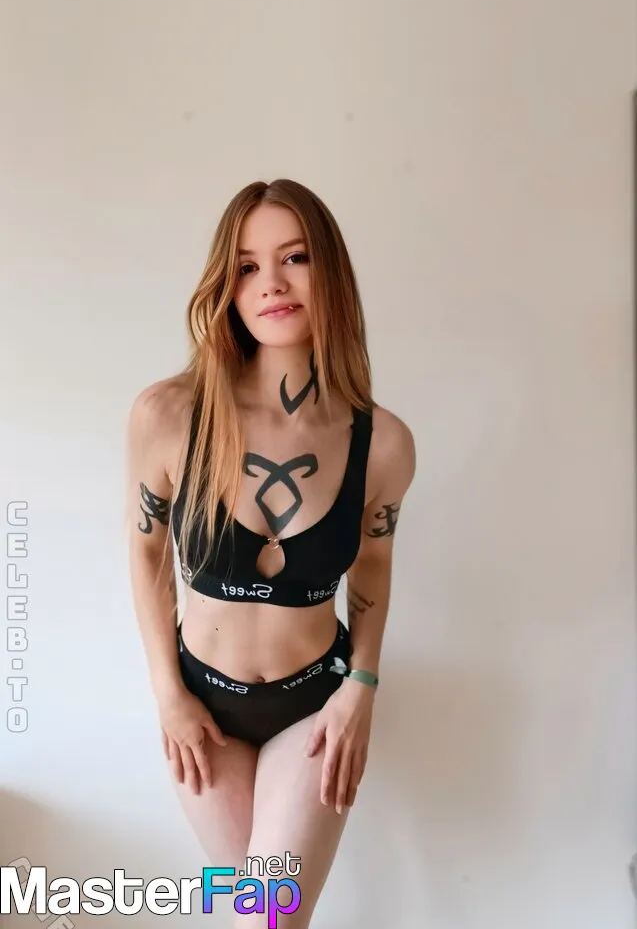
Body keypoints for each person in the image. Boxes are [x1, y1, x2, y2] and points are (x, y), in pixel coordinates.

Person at [125, 178, 416, 927]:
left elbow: (374, 563)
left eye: (294, 257)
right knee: (253, 915)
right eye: (247, 266)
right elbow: (148, 557)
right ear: (225, 285)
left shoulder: (381, 441)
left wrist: (361, 687)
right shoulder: (169, 415)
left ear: (330, 272)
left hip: (314, 707)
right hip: (203, 713)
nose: (272, 283)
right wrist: (168, 694)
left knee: (270, 919)